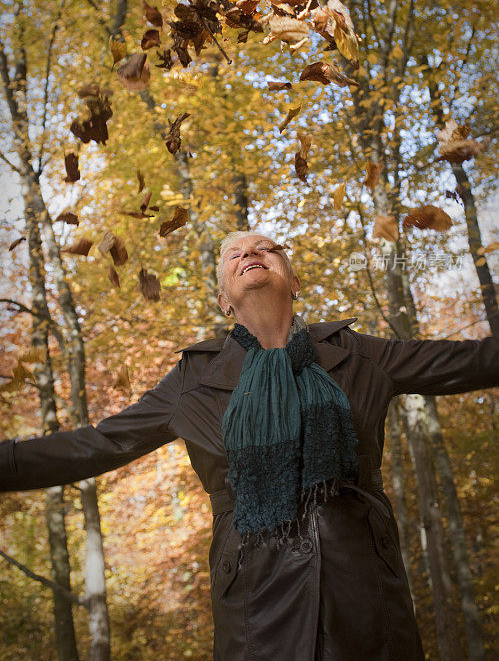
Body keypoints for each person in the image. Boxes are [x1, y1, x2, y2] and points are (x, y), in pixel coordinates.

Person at [1, 230, 498, 661]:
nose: (250, 253)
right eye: (234, 254)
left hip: (365, 593)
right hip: (257, 606)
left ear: (295, 281)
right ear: (224, 300)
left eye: (266, 247)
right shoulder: (192, 382)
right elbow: (97, 444)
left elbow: (475, 360)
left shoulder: (359, 354)